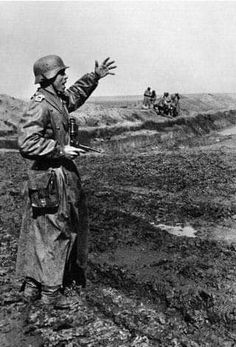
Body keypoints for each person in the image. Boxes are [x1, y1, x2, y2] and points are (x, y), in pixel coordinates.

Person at [16, 54, 116, 309]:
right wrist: (60, 150)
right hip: (50, 176)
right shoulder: (40, 104)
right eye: (61, 74)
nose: (65, 77)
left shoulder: (56, 99)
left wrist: (94, 77)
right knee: (56, 230)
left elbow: (74, 95)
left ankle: (32, 287)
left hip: (51, 175)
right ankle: (50, 291)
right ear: (49, 78)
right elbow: (27, 143)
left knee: (42, 230)